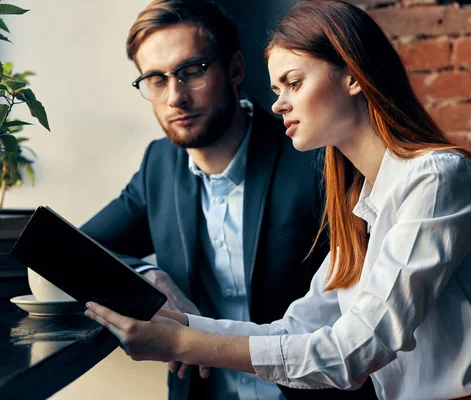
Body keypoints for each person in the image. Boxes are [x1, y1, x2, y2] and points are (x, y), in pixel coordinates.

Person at [84, 1, 471, 399]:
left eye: (293, 83)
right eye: (277, 89)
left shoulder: (436, 178)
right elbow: (297, 328)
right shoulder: (363, 200)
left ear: (353, 76)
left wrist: (182, 345)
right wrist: (177, 326)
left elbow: (354, 352)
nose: (278, 104)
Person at [80, 1, 377, 399]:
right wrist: (150, 278)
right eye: (155, 79)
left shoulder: (313, 153)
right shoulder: (159, 165)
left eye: (192, 72)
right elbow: (82, 249)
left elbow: (360, 316)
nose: (175, 98)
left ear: (235, 69)